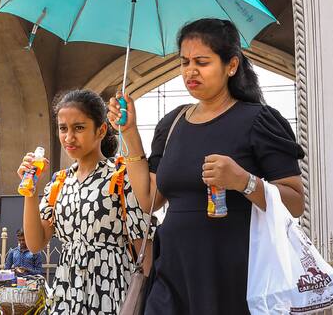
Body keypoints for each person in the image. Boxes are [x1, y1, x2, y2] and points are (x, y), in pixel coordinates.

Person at [107, 18, 305, 315]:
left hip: (233, 273)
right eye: (185, 62)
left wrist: (243, 181)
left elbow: (295, 202)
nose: (190, 71)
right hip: (172, 270)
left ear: (232, 65)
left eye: (202, 61)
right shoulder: (171, 124)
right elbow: (149, 199)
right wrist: (130, 133)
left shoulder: (259, 120)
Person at [19, 89, 149, 314]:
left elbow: (143, 250)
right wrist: (31, 191)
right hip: (67, 294)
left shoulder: (121, 177)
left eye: (78, 128)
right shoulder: (59, 183)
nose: (69, 137)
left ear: (101, 130)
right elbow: (35, 243)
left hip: (112, 291)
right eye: (63, 128)